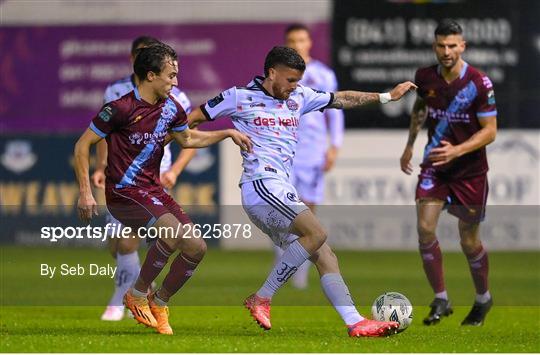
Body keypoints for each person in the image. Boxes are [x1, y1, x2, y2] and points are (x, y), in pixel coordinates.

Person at [188, 46, 416, 337]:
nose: (295, 86)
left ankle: (355, 322)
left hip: (279, 187)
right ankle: (262, 297)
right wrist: (223, 134)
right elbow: (188, 122)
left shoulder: (300, 97)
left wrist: (386, 96)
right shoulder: (238, 97)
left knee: (325, 255)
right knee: (317, 233)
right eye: (291, 80)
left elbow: (341, 98)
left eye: (298, 80)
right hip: (261, 184)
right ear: (272, 73)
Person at [74, 43, 252, 335]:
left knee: (196, 247)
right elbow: (82, 145)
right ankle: (137, 293)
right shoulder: (119, 109)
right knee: (169, 232)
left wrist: (227, 133)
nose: (176, 82)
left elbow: (189, 140)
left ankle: (160, 301)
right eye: (171, 75)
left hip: (153, 190)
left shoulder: (172, 109)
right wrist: (85, 192)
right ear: (150, 75)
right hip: (122, 193)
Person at [92, 36, 197, 322]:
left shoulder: (176, 97)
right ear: (134, 60)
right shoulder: (116, 92)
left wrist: (174, 170)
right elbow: (103, 134)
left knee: (133, 242)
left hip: (154, 178)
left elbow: (187, 138)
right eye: (139, 54)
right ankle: (140, 291)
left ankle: (122, 299)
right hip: (122, 175)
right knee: (117, 245)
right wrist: (100, 165)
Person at [399, 20, 497, 326]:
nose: (446, 51)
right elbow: (420, 109)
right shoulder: (425, 77)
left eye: (452, 45)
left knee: (469, 242)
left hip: (469, 171)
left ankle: (483, 299)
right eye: (441, 45)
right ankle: (441, 298)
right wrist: (410, 145)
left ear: (462, 46)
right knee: (425, 229)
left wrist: (457, 150)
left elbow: (490, 131)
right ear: (434, 46)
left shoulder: (479, 83)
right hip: (435, 167)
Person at [271, 24, 345, 289]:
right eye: (291, 40)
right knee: (283, 213)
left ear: (309, 43)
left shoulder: (323, 74)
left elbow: (335, 110)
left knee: (308, 214)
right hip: (284, 150)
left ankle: (298, 275)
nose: (297, 44)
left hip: (313, 151)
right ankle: (285, 268)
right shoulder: (277, 75)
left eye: (301, 39)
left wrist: (334, 145)